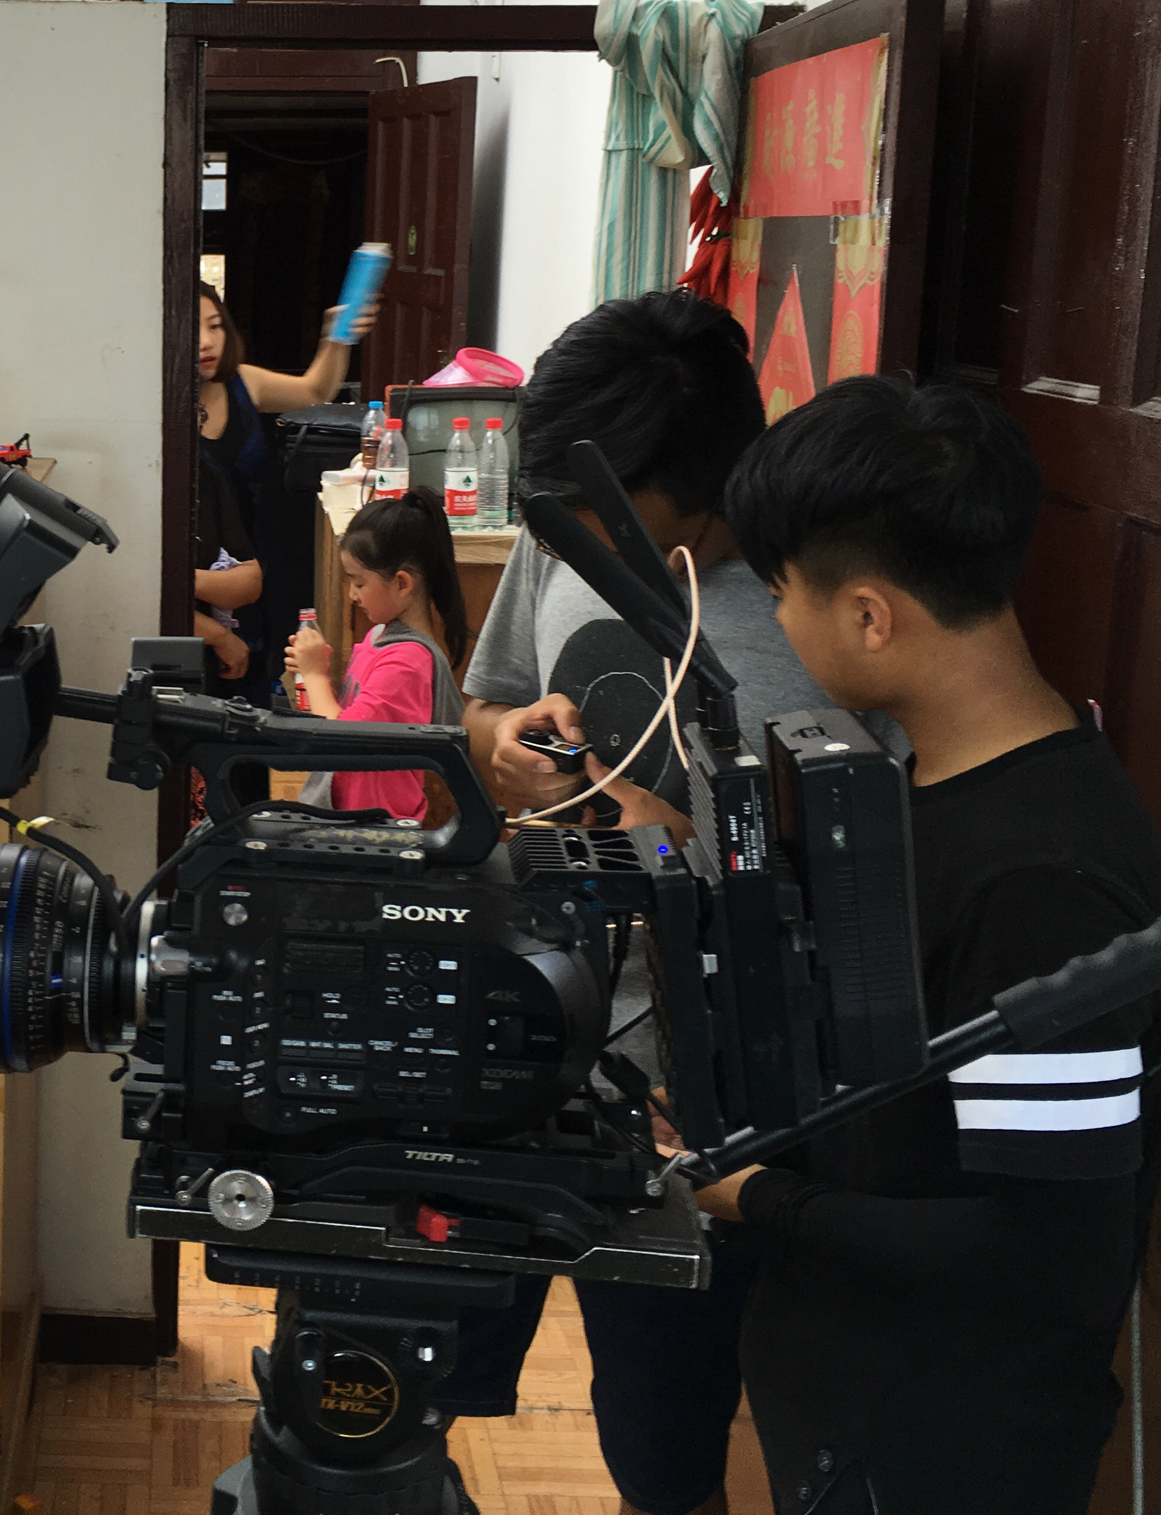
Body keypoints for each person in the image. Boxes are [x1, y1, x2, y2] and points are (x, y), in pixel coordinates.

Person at [699, 377, 1161, 1514]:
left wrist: (758, 1198)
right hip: (854, 1402)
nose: (777, 624)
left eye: (781, 594)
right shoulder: (935, 780)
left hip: (936, 1450)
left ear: (871, 615)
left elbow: (1048, 1256)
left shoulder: (1041, 884)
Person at [444, 288, 873, 1515]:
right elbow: (484, 705)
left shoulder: (830, 602)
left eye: (607, 521)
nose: (576, 537)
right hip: (524, 1031)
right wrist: (505, 746)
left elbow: (865, 892)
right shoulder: (565, 519)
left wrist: (672, 843)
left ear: (707, 488)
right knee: (417, 1369)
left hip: (704, 1100)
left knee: (664, 1445)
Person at [199, 282, 374, 699]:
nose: (206, 341)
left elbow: (314, 391)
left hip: (254, 564)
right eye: (192, 330)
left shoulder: (242, 383)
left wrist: (336, 339)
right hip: (196, 577)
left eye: (215, 326)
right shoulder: (156, 404)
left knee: (255, 685)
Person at [283, 487, 468, 821]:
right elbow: (352, 718)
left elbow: (342, 742)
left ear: (402, 583)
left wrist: (314, 675)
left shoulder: (407, 663)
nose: (352, 595)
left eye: (359, 583)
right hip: (350, 818)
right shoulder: (378, 637)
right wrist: (313, 676)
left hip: (376, 827)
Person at [195, 452, 263, 695]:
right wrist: (218, 636)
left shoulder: (205, 473)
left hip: (210, 666)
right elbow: (133, 597)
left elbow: (250, 582)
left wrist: (177, 580)